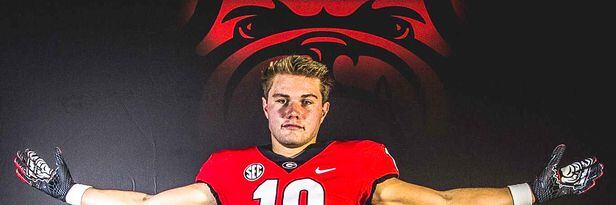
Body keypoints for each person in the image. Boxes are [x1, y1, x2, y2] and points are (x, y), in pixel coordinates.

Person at [14, 55, 604, 205]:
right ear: (264, 109)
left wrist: (534, 192)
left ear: (324, 110)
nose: (292, 110)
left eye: (305, 100)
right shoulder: (226, 171)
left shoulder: (361, 159)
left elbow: (440, 201)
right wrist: (70, 193)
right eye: (281, 100)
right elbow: (151, 203)